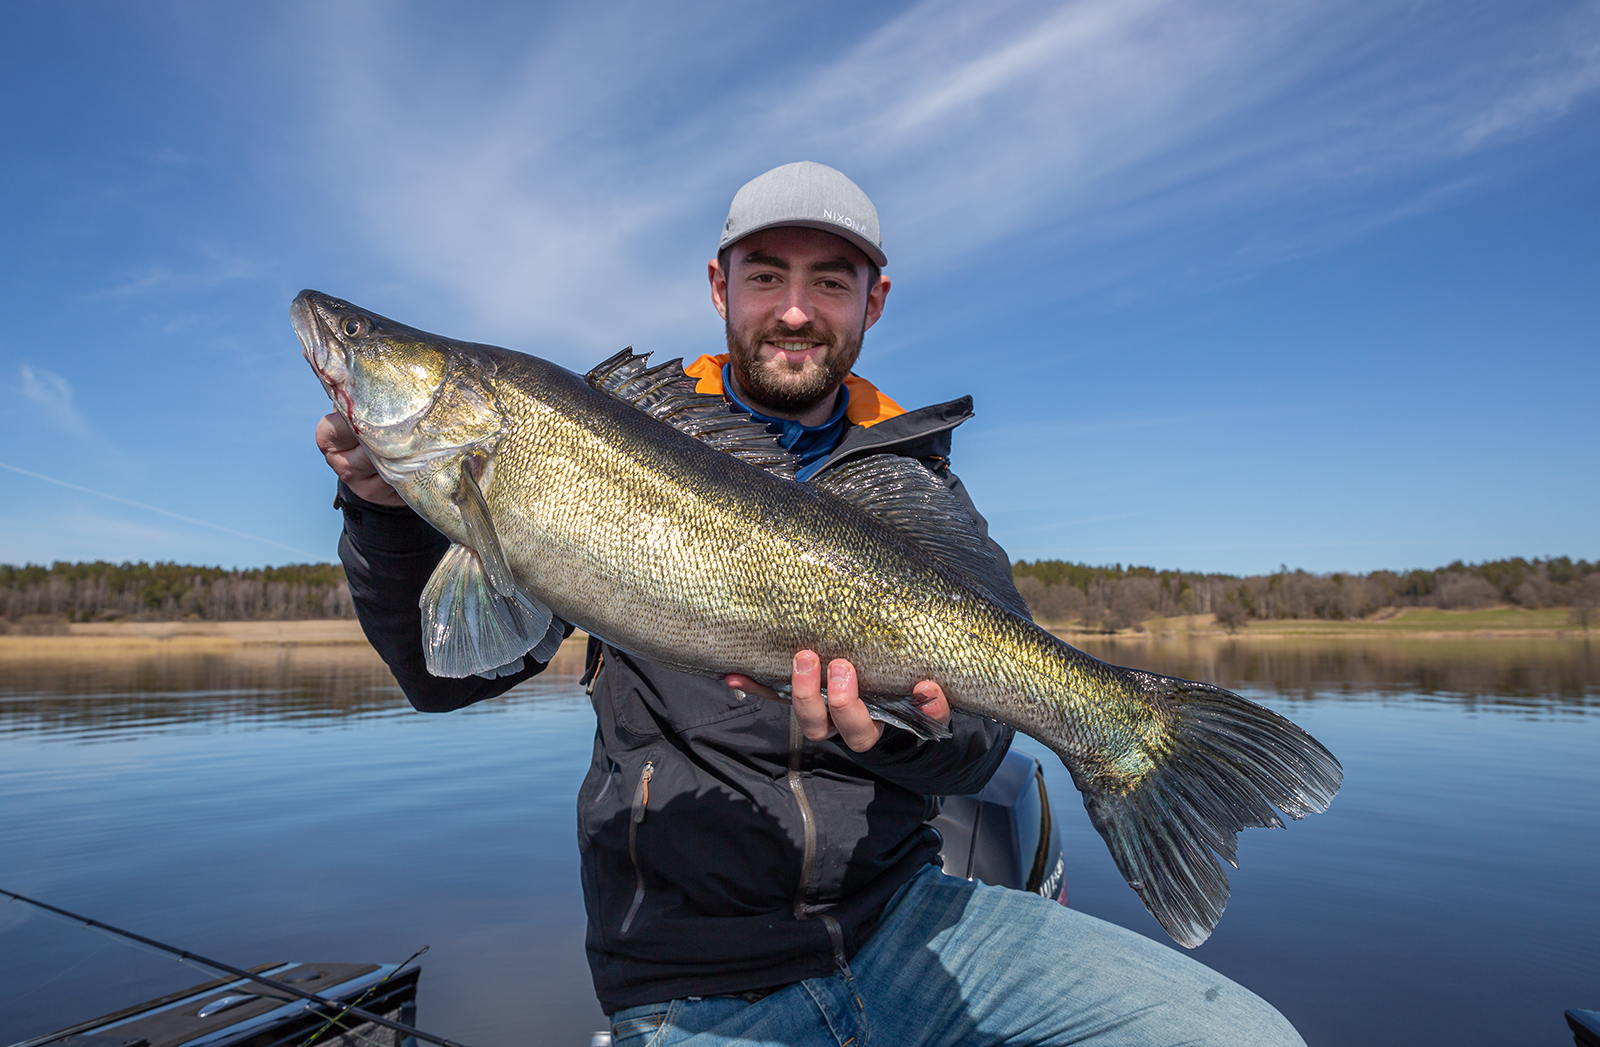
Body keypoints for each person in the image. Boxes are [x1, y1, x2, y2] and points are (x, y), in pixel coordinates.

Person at [316, 161, 1306, 1047]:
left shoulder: (916, 488)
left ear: (873, 301)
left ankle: (1136, 738)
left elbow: (982, 747)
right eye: (766, 276)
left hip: (905, 923)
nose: (794, 310)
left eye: (829, 281)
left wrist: (897, 733)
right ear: (720, 289)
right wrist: (383, 513)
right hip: (689, 976)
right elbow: (447, 676)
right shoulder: (597, 437)